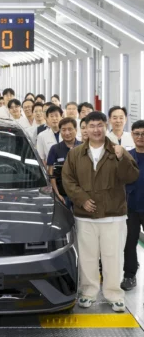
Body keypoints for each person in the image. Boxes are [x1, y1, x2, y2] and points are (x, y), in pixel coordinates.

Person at [62, 111, 139, 313]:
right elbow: (68, 180)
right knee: (87, 257)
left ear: (106, 127)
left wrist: (122, 157)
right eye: (91, 126)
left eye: (100, 125)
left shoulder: (117, 150)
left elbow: (131, 176)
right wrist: (81, 199)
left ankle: (114, 295)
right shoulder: (75, 154)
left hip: (113, 215)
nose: (96, 130)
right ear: (85, 129)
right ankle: (88, 293)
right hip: (85, 216)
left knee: (112, 257)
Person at [121, 120, 144, 291]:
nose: (140, 137)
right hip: (131, 207)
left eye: (143, 134)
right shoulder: (127, 157)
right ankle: (129, 275)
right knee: (129, 243)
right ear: (132, 135)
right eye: (137, 133)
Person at [47, 118, 81, 208]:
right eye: (63, 130)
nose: (67, 133)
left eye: (70, 129)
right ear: (60, 131)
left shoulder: (83, 147)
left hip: (80, 194)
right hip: (62, 194)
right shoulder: (54, 149)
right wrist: (57, 194)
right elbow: (51, 173)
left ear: (76, 130)